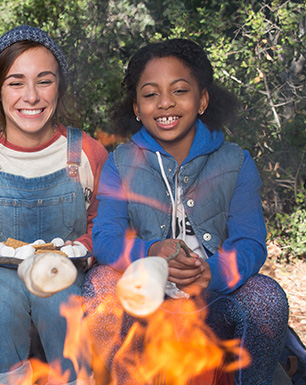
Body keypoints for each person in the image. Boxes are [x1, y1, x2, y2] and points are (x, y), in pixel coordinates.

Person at [83, 38, 289, 384]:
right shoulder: (120, 163)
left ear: (203, 99)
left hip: (214, 302)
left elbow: (250, 243)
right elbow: (105, 238)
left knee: (266, 296)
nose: (165, 103)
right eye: (150, 94)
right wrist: (150, 253)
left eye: (179, 91)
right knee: (99, 283)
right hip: (143, 300)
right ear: (136, 107)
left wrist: (213, 273)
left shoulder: (236, 162)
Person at [0, 25, 108, 385]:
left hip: (71, 276)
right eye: (16, 82)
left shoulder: (86, 152)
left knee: (57, 292)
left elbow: (108, 224)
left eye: (44, 81)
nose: (31, 96)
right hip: (1, 279)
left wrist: (83, 249)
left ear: (60, 87)